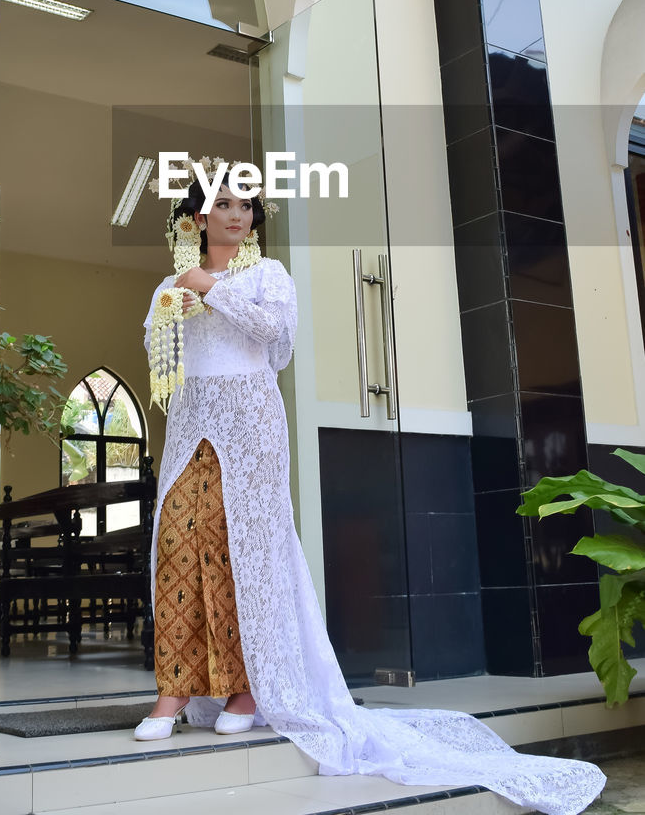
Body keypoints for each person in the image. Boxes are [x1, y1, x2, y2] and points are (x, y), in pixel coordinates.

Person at [134, 162, 605, 815]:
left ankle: (246, 691)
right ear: (198, 218)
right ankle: (175, 690)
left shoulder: (267, 277)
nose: (238, 216)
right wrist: (174, 303)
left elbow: (277, 343)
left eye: (247, 207)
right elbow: (160, 354)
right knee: (179, 547)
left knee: (246, 555)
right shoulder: (172, 280)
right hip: (192, 424)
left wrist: (208, 288)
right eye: (224, 206)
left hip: (251, 425)